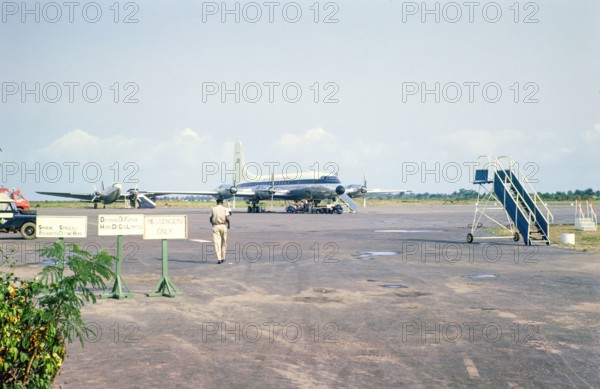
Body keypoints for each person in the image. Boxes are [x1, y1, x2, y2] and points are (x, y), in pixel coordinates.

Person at [209, 198, 230, 264]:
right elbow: (227, 218)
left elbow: (210, 218)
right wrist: (229, 225)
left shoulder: (213, 209)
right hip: (223, 226)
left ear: (216, 202)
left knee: (217, 243)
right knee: (224, 242)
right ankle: (223, 257)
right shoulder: (225, 209)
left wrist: (212, 224)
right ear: (222, 202)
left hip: (215, 226)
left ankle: (219, 259)